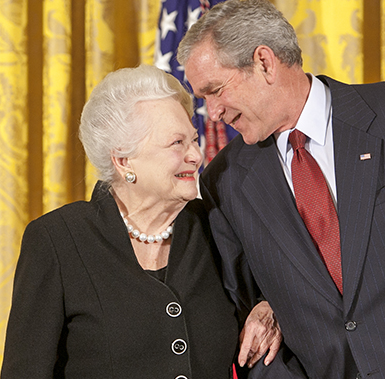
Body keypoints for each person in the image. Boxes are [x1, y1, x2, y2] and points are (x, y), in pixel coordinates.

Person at [177, 0, 385, 378]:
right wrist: (269, 309)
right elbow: (242, 319)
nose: (212, 112)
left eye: (215, 90)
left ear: (264, 62)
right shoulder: (224, 179)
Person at [1, 64, 281, 379]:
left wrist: (269, 309)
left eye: (192, 140)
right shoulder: (56, 240)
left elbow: (286, 288)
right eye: (177, 143)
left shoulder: (215, 224)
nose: (195, 156)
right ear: (123, 160)